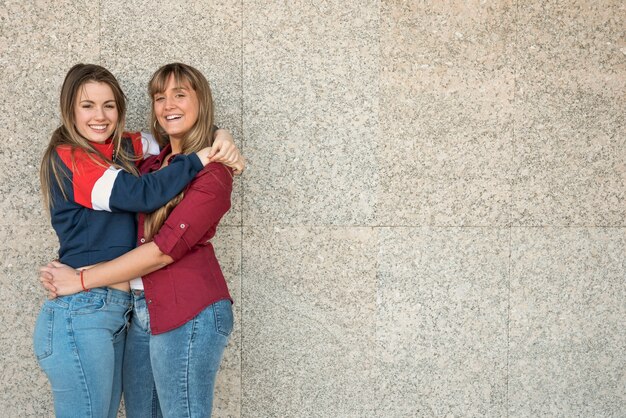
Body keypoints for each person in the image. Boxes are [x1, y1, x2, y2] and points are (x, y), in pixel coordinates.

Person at [34, 63, 243, 418]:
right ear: (69, 108)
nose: (100, 116)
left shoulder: (126, 148)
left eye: (109, 105)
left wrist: (221, 137)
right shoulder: (72, 158)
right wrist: (203, 155)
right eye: (87, 105)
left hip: (123, 311)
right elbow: (142, 195)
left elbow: (174, 131)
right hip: (84, 308)